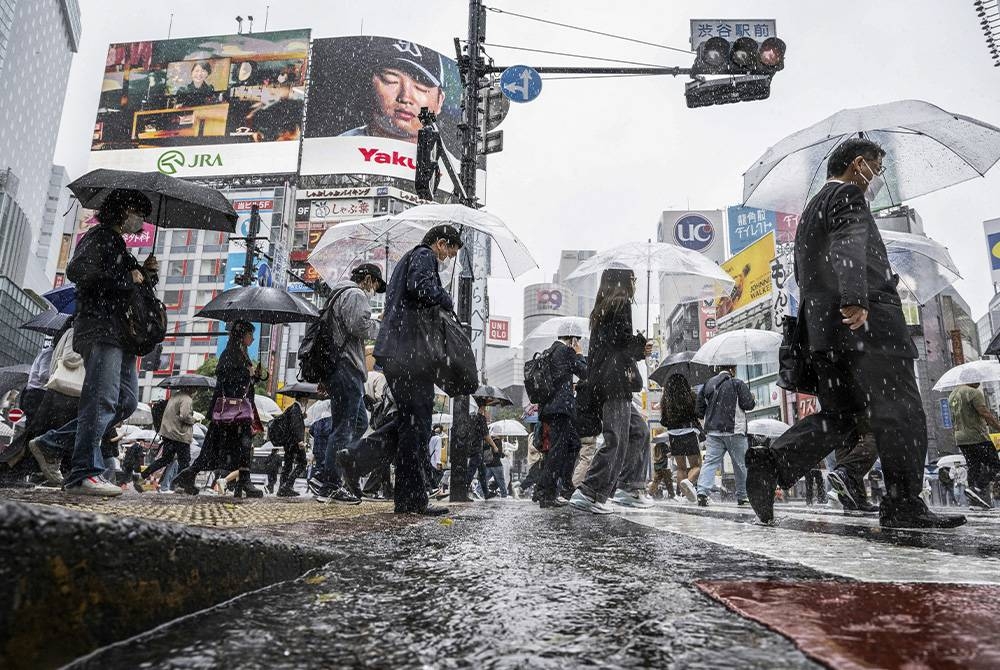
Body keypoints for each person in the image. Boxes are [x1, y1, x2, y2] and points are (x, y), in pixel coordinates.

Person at [745, 138, 966, 529]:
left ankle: (773, 463)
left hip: (826, 334)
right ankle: (902, 503)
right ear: (859, 164)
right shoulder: (848, 195)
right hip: (867, 327)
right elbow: (850, 242)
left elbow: (804, 275)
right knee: (902, 411)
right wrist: (855, 297)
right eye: (876, 169)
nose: (876, 178)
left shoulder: (813, 208)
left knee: (842, 415)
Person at [29, 189, 158, 496]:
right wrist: (129, 278)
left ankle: (51, 443)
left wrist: (146, 274)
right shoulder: (99, 237)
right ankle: (84, 471)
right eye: (136, 211)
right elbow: (78, 271)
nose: (139, 219)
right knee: (100, 399)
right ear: (120, 210)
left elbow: (126, 288)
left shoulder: (120, 246)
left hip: (120, 334)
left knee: (125, 401)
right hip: (100, 329)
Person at [373, 224, 462, 515]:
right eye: (449, 250)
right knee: (418, 424)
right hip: (409, 353)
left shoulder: (406, 261)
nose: (448, 257)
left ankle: (404, 496)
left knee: (409, 423)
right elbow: (422, 289)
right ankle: (413, 500)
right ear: (439, 243)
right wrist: (446, 298)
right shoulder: (423, 256)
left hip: (398, 352)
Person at [569, 268, 653, 514]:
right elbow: (621, 343)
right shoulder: (620, 303)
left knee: (638, 431)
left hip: (606, 382)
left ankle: (629, 486)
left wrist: (635, 346)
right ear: (624, 281)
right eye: (633, 280)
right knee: (616, 438)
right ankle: (589, 492)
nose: (635, 284)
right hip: (615, 384)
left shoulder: (604, 308)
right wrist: (641, 347)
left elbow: (611, 344)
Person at [308, 263, 384, 504]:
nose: (374, 290)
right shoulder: (355, 294)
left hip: (340, 370)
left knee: (359, 422)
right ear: (369, 279)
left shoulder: (338, 295)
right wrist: (381, 325)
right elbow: (360, 327)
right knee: (344, 427)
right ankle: (328, 482)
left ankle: (333, 468)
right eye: (375, 285)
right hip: (346, 369)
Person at [173, 321, 264, 498]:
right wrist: (247, 374)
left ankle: (191, 473)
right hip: (231, 413)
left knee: (224, 447)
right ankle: (242, 481)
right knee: (231, 447)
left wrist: (254, 377)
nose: (252, 338)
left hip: (237, 412)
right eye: (250, 334)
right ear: (242, 335)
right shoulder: (230, 354)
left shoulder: (241, 354)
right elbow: (225, 376)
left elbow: (242, 382)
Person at [341, 41, 446, 143]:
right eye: (390, 80)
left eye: (421, 87)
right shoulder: (339, 149)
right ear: (368, 85)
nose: (405, 98)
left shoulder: (453, 161)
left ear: (440, 101)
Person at [536, 324, 588, 507]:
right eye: (578, 340)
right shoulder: (566, 351)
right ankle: (545, 493)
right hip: (560, 409)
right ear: (573, 339)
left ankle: (565, 486)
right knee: (557, 450)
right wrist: (579, 353)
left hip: (549, 408)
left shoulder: (549, 351)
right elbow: (584, 372)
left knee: (573, 444)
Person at [694, 366, 755, 507]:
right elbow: (748, 405)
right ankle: (743, 495)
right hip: (734, 430)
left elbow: (699, 410)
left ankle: (702, 492)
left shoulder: (708, 384)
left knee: (710, 462)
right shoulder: (737, 383)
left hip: (713, 431)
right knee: (740, 464)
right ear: (732, 369)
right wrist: (752, 398)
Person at [948, 382, 1000, 509]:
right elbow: (984, 413)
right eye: (978, 380)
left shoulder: (952, 395)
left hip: (960, 438)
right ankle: (978, 488)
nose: (979, 383)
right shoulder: (973, 393)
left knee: (973, 467)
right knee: (996, 465)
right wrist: (998, 426)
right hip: (977, 436)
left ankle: (974, 500)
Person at [138, 387, 195, 489]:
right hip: (180, 435)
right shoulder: (186, 399)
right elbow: (185, 416)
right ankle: (184, 486)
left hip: (168, 434)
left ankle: (143, 475)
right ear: (192, 389)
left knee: (165, 459)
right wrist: (193, 420)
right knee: (184, 461)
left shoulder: (174, 397)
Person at [659, 373, 703, 503]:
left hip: (673, 434)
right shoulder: (691, 396)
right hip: (689, 431)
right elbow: (698, 413)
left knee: (681, 468)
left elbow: (664, 420)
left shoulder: (665, 400)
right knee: (696, 465)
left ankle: (684, 496)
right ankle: (688, 482)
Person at [273, 396, 308, 497]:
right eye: (306, 399)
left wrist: (302, 416)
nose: (306, 401)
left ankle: (282, 488)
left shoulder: (291, 408)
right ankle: (287, 486)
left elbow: (290, 424)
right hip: (295, 442)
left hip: (288, 442)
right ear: (303, 399)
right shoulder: (295, 409)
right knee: (303, 462)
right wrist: (300, 440)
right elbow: (295, 425)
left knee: (288, 465)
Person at [428, 424, 445, 491]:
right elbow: (437, 451)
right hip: (434, 461)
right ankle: (434, 488)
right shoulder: (438, 438)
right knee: (440, 473)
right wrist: (438, 462)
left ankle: (431, 488)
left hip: (428, 459)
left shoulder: (430, 437)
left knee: (430, 475)